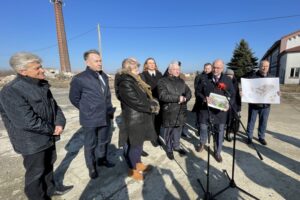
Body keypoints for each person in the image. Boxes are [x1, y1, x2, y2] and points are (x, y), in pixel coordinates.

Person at [0, 52, 73, 200]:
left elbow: (55, 107)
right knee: (36, 174)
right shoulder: (11, 90)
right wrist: (52, 129)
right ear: (23, 71)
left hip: (47, 136)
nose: (42, 70)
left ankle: (51, 190)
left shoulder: (40, 84)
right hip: (31, 142)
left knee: (49, 165)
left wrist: (59, 122)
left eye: (41, 66)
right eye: (37, 68)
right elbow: (26, 121)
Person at [69, 49, 115, 180]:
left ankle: (102, 160)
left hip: (105, 116)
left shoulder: (104, 76)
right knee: (90, 144)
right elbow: (74, 98)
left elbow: (107, 96)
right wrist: (86, 110)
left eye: (100, 60)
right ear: (87, 62)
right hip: (90, 118)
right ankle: (92, 166)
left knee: (104, 140)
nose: (100, 63)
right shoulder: (79, 78)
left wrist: (109, 110)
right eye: (96, 61)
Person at [115, 57, 159, 181]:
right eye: (136, 68)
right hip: (134, 119)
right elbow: (135, 102)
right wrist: (151, 107)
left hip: (140, 117)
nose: (138, 70)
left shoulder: (134, 80)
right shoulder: (125, 82)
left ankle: (138, 164)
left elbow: (143, 96)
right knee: (135, 145)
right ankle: (133, 170)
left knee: (139, 145)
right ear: (129, 69)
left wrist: (151, 101)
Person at [195, 59, 234, 162]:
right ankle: (202, 143)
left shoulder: (227, 80)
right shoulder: (204, 78)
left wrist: (229, 105)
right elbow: (197, 91)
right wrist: (203, 98)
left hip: (220, 113)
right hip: (205, 110)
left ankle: (217, 151)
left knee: (219, 132)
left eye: (218, 68)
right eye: (214, 67)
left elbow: (232, 94)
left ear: (222, 68)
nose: (216, 69)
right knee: (203, 128)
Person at [157, 61, 192, 160]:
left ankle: (176, 146)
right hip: (169, 112)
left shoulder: (181, 81)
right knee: (169, 132)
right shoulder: (162, 81)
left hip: (181, 111)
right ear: (169, 71)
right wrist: (178, 98)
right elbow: (162, 96)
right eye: (175, 69)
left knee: (178, 130)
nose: (178, 71)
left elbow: (189, 92)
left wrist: (185, 98)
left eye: (178, 69)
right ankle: (169, 149)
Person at [246, 60, 274, 145]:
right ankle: (249, 137)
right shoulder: (253, 77)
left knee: (263, 122)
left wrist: (277, 93)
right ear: (259, 66)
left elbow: (274, 90)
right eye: (263, 66)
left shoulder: (272, 78)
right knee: (251, 121)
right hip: (254, 104)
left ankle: (261, 137)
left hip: (266, 105)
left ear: (268, 67)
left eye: (266, 66)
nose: (264, 68)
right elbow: (248, 89)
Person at [140, 57, 163, 147]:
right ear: (146, 65)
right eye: (149, 63)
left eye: (153, 63)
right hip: (150, 101)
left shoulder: (159, 74)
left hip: (160, 100)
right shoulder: (143, 75)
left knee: (159, 120)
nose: (152, 64)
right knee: (151, 121)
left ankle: (157, 136)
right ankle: (153, 138)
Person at [192, 63, 212, 134]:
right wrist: (201, 97)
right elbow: (196, 88)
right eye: (205, 68)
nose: (207, 70)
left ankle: (208, 129)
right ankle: (199, 129)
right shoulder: (199, 77)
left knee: (209, 116)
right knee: (199, 116)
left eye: (208, 68)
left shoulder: (212, 77)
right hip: (200, 100)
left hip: (210, 100)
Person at [224, 69, 242, 142]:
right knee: (224, 120)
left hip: (234, 105)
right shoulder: (223, 81)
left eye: (230, 75)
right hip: (224, 104)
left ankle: (228, 134)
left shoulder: (236, 83)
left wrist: (239, 107)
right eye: (227, 75)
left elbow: (238, 95)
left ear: (233, 75)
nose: (229, 77)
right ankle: (221, 134)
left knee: (231, 120)